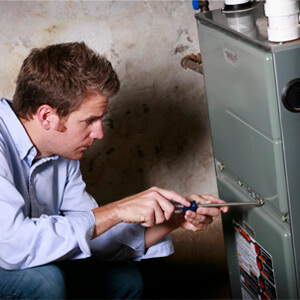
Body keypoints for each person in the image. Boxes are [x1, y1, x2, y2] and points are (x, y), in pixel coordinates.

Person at [0, 41, 228, 299]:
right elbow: (12, 247)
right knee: (45, 282)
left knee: (125, 280)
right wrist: (117, 210)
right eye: (89, 121)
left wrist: (175, 218)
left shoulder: (64, 155)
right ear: (46, 117)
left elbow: (93, 235)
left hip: (20, 258)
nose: (99, 133)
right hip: (7, 260)